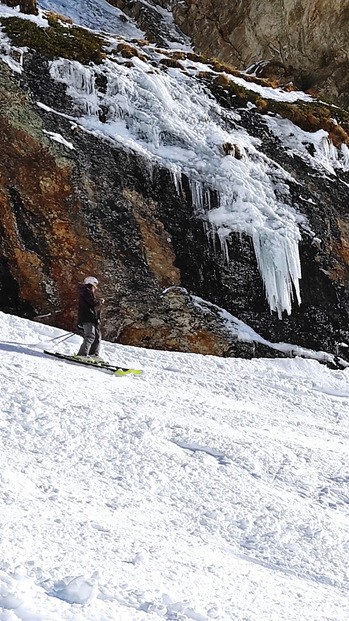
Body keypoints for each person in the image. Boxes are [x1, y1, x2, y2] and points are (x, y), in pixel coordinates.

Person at [76, 276, 104, 360]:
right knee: (90, 336)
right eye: (95, 285)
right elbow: (92, 302)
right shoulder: (86, 290)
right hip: (87, 318)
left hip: (91, 318)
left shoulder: (87, 291)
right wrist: (99, 301)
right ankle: (82, 354)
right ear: (91, 283)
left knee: (97, 336)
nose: (95, 288)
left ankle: (93, 355)